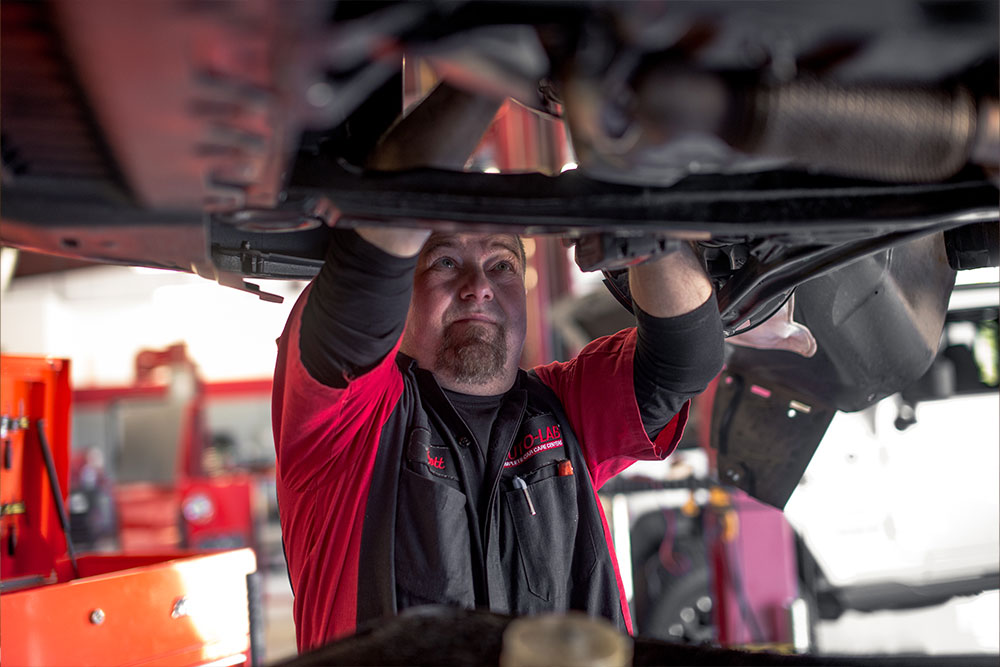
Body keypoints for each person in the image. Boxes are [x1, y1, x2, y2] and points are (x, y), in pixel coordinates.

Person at [272, 223, 725, 652]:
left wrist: (647, 236)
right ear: (400, 289)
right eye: (445, 261)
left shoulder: (565, 406)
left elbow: (685, 360)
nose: (479, 286)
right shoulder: (355, 419)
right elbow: (351, 307)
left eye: (502, 265)